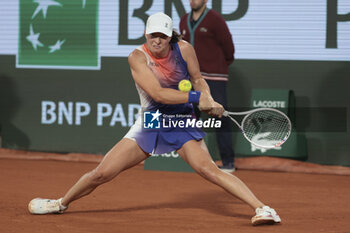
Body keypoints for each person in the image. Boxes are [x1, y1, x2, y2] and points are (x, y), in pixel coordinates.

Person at [28, 12, 281, 226]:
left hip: (181, 121)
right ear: (146, 35)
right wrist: (196, 98)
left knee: (208, 170)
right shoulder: (137, 57)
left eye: (162, 35)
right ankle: (60, 203)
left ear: (170, 36)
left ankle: (263, 208)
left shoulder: (184, 49)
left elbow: (198, 78)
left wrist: (207, 96)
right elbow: (158, 93)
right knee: (102, 173)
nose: (157, 40)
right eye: (153, 35)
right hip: (151, 121)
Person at [179, 0, 236, 172]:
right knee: (189, 118)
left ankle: (228, 162)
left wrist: (217, 67)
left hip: (214, 78)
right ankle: (195, 161)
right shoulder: (183, 20)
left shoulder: (215, 19)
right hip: (190, 79)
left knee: (220, 118)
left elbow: (229, 48)